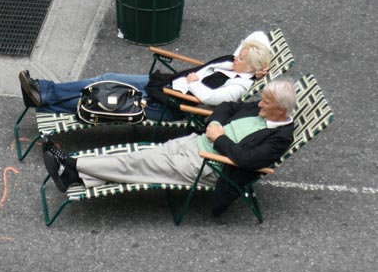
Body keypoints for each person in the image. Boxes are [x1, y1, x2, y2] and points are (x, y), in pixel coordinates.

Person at [43, 78, 296, 215]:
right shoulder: (261, 108)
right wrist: (215, 123)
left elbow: (247, 159)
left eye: (265, 104)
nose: (259, 105)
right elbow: (228, 106)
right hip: (194, 142)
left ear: (281, 110)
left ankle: (72, 163)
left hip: (207, 165)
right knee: (142, 157)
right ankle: (75, 178)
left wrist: (219, 138)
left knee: (136, 163)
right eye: (261, 101)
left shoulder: (280, 138)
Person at [19, 31, 272, 120]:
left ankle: (44, 102)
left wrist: (194, 84)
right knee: (106, 78)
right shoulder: (236, 64)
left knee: (102, 99)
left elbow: (213, 99)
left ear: (249, 67)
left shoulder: (238, 85)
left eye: (241, 57)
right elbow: (256, 36)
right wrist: (262, 62)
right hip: (164, 85)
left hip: (169, 102)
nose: (235, 55)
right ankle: (45, 92)